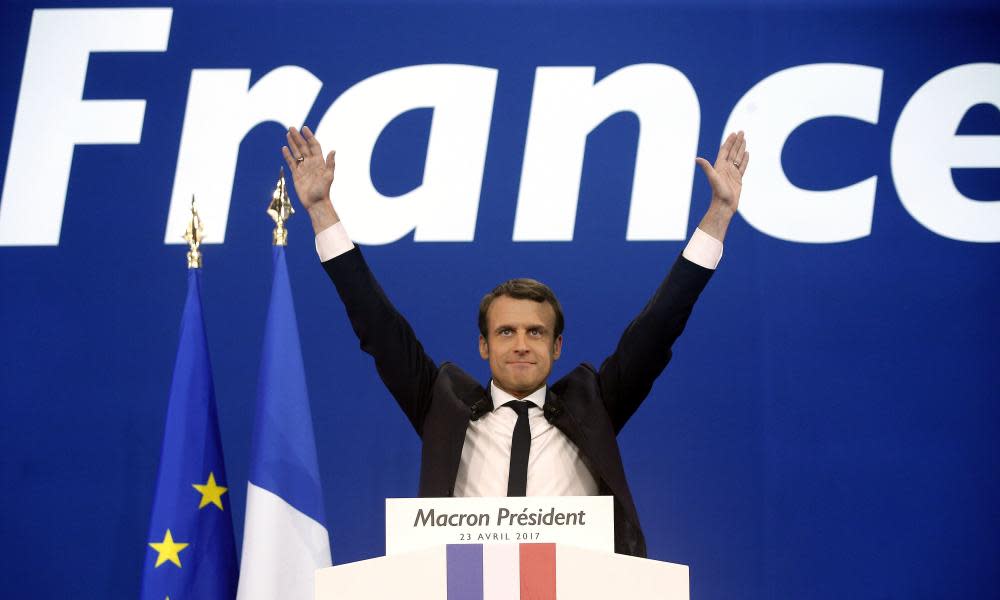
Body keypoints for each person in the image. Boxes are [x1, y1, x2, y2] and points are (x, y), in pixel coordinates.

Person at [282, 125, 748, 557]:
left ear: (557, 346)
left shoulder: (594, 405)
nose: (521, 344)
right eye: (506, 332)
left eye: (536, 332)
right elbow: (377, 324)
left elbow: (660, 324)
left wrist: (719, 214)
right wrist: (322, 210)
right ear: (483, 346)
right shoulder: (441, 404)